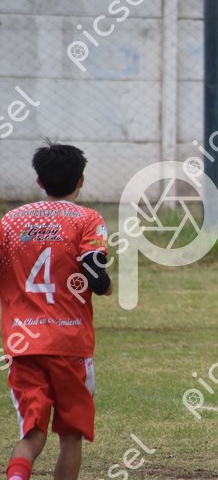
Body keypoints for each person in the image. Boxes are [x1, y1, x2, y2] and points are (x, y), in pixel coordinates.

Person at [1, 142, 113, 480]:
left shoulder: (10, 223)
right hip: (70, 345)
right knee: (71, 435)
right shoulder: (87, 219)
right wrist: (106, 286)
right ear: (81, 180)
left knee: (33, 434)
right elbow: (95, 273)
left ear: (39, 181)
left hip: (24, 345)